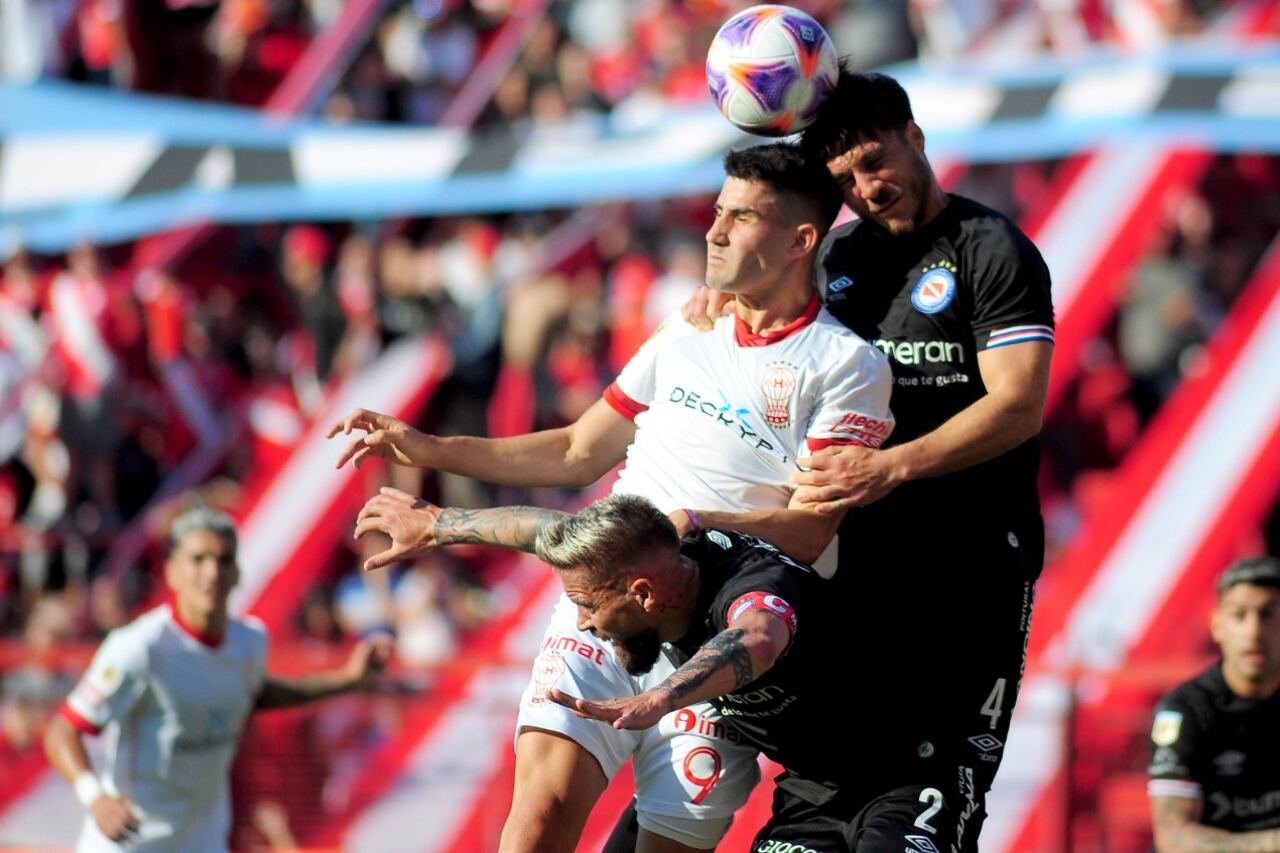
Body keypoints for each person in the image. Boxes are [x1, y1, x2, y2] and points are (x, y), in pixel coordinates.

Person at [328, 143, 895, 852]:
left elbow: (811, 535)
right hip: (603, 599)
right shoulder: (687, 328)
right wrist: (432, 449)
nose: (714, 231)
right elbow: (576, 450)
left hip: (718, 634)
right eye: (717, 212)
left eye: (741, 217)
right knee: (538, 817)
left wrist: (688, 522)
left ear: (800, 239)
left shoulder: (849, 364)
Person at [686, 69, 1055, 850]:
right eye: (845, 177)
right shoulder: (841, 259)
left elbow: (1018, 402)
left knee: (937, 781)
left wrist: (892, 467)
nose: (865, 186)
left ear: (915, 137)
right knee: (833, 771)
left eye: (875, 161)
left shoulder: (991, 248)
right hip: (858, 565)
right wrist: (721, 292)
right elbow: (775, 327)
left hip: (974, 567)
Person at [354, 489, 921, 851]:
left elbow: (760, 637)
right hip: (811, 789)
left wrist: (662, 697)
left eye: (589, 606)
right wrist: (441, 524)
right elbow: (546, 530)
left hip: (904, 772)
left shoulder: (749, 587)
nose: (584, 622)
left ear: (644, 595)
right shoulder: (657, 555)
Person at [43, 508, 391, 853]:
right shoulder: (139, 648)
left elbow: (254, 693)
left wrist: (347, 680)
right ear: (172, 573)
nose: (212, 572)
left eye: (223, 560)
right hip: (132, 844)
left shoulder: (249, 642)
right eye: (198, 559)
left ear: (236, 573)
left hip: (203, 843)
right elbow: (62, 730)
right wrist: (96, 798)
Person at [1148, 557, 1280, 851]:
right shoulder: (1185, 711)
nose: (1254, 632)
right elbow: (1172, 838)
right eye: (1239, 615)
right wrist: (1270, 844)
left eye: (1268, 614)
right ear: (1217, 626)